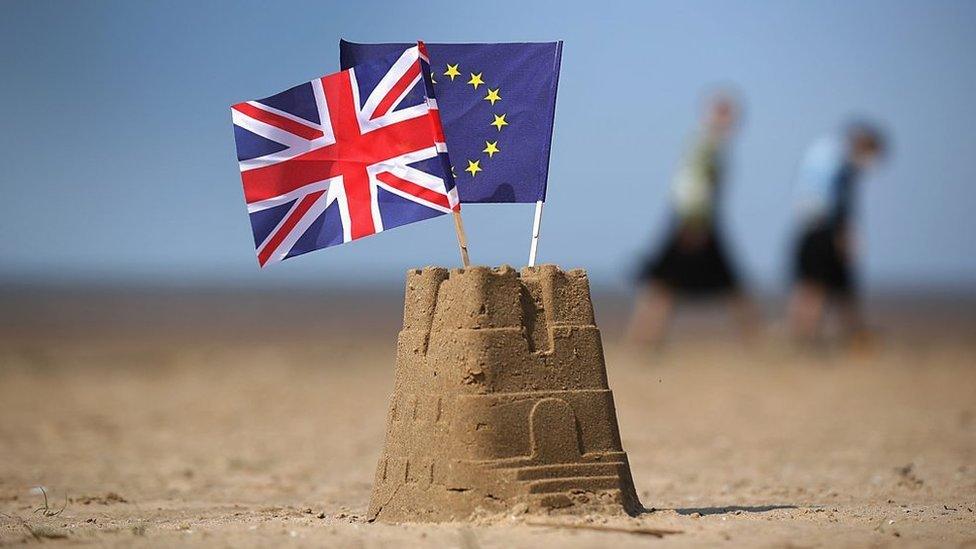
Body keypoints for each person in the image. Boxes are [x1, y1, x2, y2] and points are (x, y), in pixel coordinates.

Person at [626, 93, 756, 347]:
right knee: (665, 283)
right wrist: (694, 225)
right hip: (693, 220)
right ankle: (642, 339)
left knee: (669, 283)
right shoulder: (706, 144)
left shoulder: (711, 143)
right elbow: (692, 186)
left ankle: (643, 339)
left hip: (697, 219)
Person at [788, 121, 886, 347]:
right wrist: (843, 235)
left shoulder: (822, 149)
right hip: (824, 230)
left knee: (822, 286)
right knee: (818, 287)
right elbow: (832, 201)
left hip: (809, 227)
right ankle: (809, 338)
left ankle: (843, 335)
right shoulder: (838, 160)